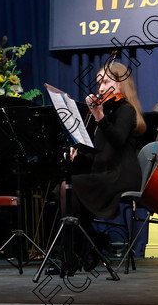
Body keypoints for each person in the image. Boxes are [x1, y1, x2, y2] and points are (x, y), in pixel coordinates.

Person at [59, 60, 146, 271]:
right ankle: (88, 245)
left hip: (122, 176)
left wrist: (99, 116)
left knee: (67, 189)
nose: (101, 87)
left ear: (121, 84)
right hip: (106, 171)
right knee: (64, 190)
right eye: (98, 83)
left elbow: (116, 141)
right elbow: (99, 156)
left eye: (106, 81)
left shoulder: (126, 110)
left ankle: (75, 254)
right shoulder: (106, 113)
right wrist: (77, 155)